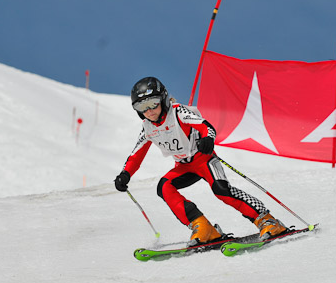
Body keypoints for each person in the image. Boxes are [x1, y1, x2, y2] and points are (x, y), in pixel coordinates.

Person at [114, 76, 287, 244]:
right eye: (142, 106)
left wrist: (208, 139)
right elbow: (136, 155)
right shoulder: (148, 128)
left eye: (153, 103)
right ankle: (203, 227)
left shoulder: (178, 112)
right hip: (184, 167)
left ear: (163, 99)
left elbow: (206, 126)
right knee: (164, 187)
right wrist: (125, 174)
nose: (149, 111)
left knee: (222, 190)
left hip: (204, 159)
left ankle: (268, 221)